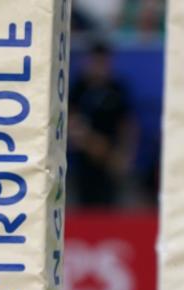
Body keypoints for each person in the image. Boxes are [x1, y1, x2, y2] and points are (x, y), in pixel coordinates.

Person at [66, 40, 138, 207]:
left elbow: (128, 124)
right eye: (95, 62)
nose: (99, 67)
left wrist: (124, 154)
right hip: (82, 162)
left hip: (112, 163)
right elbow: (71, 123)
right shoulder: (78, 89)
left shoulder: (117, 89)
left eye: (103, 62)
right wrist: (97, 147)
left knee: (113, 205)